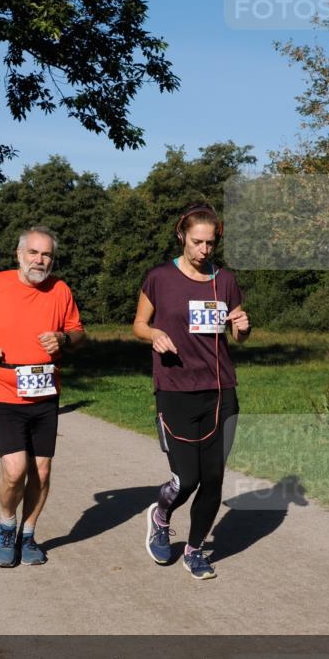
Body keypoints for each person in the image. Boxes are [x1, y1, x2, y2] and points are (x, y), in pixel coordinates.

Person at [133, 203, 250, 580]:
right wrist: (154, 334)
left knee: (213, 477)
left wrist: (243, 326)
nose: (203, 250)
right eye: (197, 242)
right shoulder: (160, 278)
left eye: (210, 244)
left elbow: (239, 334)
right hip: (176, 388)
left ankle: (196, 549)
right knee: (187, 478)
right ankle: (161, 513)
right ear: (182, 236)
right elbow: (138, 324)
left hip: (220, 391)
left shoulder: (226, 281)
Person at [0, 227, 84, 567]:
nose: (39, 260)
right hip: (3, 387)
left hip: (45, 390)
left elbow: (78, 331)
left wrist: (64, 339)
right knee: (15, 470)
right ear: (19, 254)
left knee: (41, 472)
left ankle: (28, 534)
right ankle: (6, 525)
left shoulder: (60, 289)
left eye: (46, 255)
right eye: (33, 252)